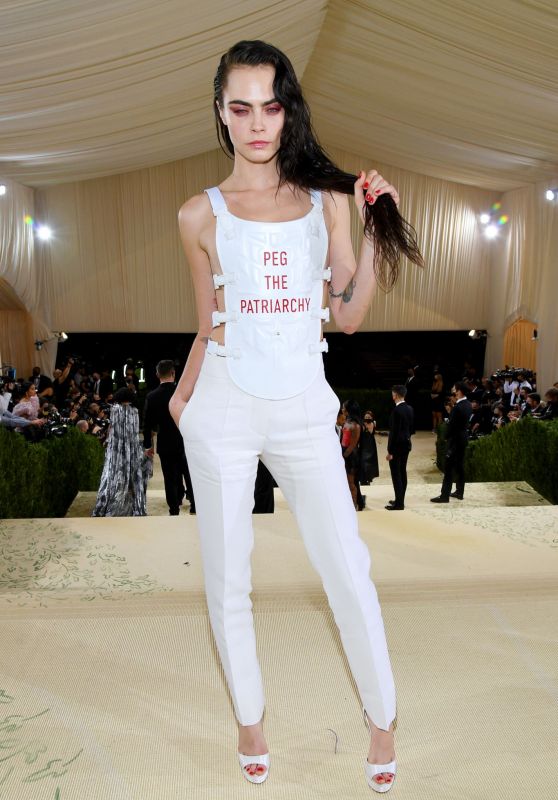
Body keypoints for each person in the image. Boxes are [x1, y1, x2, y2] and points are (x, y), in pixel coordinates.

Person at [169, 39, 422, 791]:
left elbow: (348, 315)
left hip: (304, 408)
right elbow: (207, 322)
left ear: (288, 112)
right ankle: (250, 719)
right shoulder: (198, 214)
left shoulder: (326, 201)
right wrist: (182, 401)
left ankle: (383, 721)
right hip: (223, 405)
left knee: (348, 568)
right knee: (228, 579)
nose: (257, 123)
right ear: (221, 113)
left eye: (271, 107)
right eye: (241, 107)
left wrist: (374, 234)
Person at [143, 360, 195, 515]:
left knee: (169, 477)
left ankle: (174, 508)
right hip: (186, 441)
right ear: (173, 373)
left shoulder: (152, 396)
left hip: (165, 442)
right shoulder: (186, 394)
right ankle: (195, 505)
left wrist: (148, 445)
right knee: (190, 474)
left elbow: (148, 424)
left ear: (157, 374)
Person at [93, 388, 152, 517]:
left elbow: (112, 429)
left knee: (113, 474)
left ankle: (112, 503)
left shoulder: (114, 410)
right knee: (132, 476)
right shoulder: (135, 411)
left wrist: (108, 442)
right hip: (132, 448)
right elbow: (135, 432)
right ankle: (132, 506)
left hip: (116, 449)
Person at [431, 381, 473, 502]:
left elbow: (452, 426)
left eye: (455, 389)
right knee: (459, 466)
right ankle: (460, 492)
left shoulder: (458, 407)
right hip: (463, 438)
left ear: (459, 391)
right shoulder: (468, 404)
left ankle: (444, 496)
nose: (453, 390)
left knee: (448, 468)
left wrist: (445, 436)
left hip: (454, 440)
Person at [385, 385, 414, 510]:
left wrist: (390, 451)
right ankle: (400, 499)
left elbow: (394, 433)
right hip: (406, 444)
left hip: (397, 447)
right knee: (402, 472)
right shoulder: (410, 408)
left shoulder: (396, 411)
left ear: (395, 395)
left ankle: (399, 504)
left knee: (396, 474)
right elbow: (412, 429)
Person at [341, 399, 364, 510]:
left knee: (351, 483)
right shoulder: (347, 422)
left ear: (348, 410)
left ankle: (354, 505)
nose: (342, 409)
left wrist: (343, 456)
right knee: (346, 482)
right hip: (345, 454)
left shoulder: (356, 425)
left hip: (351, 457)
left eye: (343, 407)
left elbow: (352, 445)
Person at [359, 409, 379, 486]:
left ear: (372, 417)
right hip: (363, 444)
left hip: (371, 444)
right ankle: (363, 479)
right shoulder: (361, 424)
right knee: (363, 461)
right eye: (366, 417)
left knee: (370, 462)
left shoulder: (374, 423)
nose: (367, 418)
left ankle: (369, 478)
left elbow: (373, 432)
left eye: (369, 417)